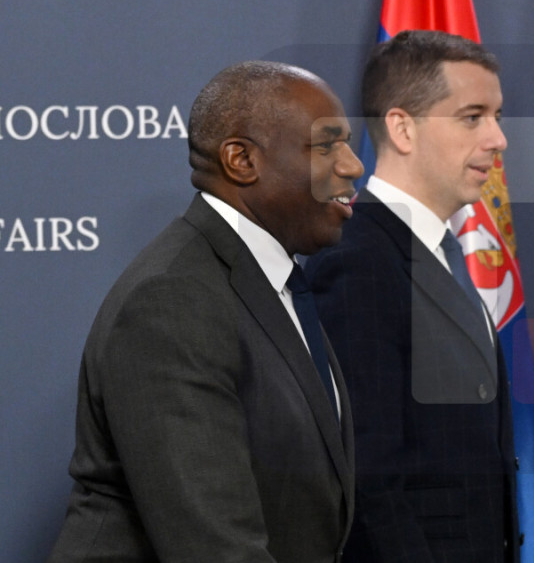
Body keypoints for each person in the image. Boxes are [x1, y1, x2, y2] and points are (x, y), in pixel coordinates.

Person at [48, 61, 363, 563]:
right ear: (241, 160)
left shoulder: (270, 282)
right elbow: (214, 548)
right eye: (326, 147)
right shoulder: (172, 300)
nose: (353, 166)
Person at [305, 30, 520, 562]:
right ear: (402, 127)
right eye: (472, 117)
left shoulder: (442, 253)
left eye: (496, 116)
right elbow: (368, 478)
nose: (498, 139)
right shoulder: (356, 262)